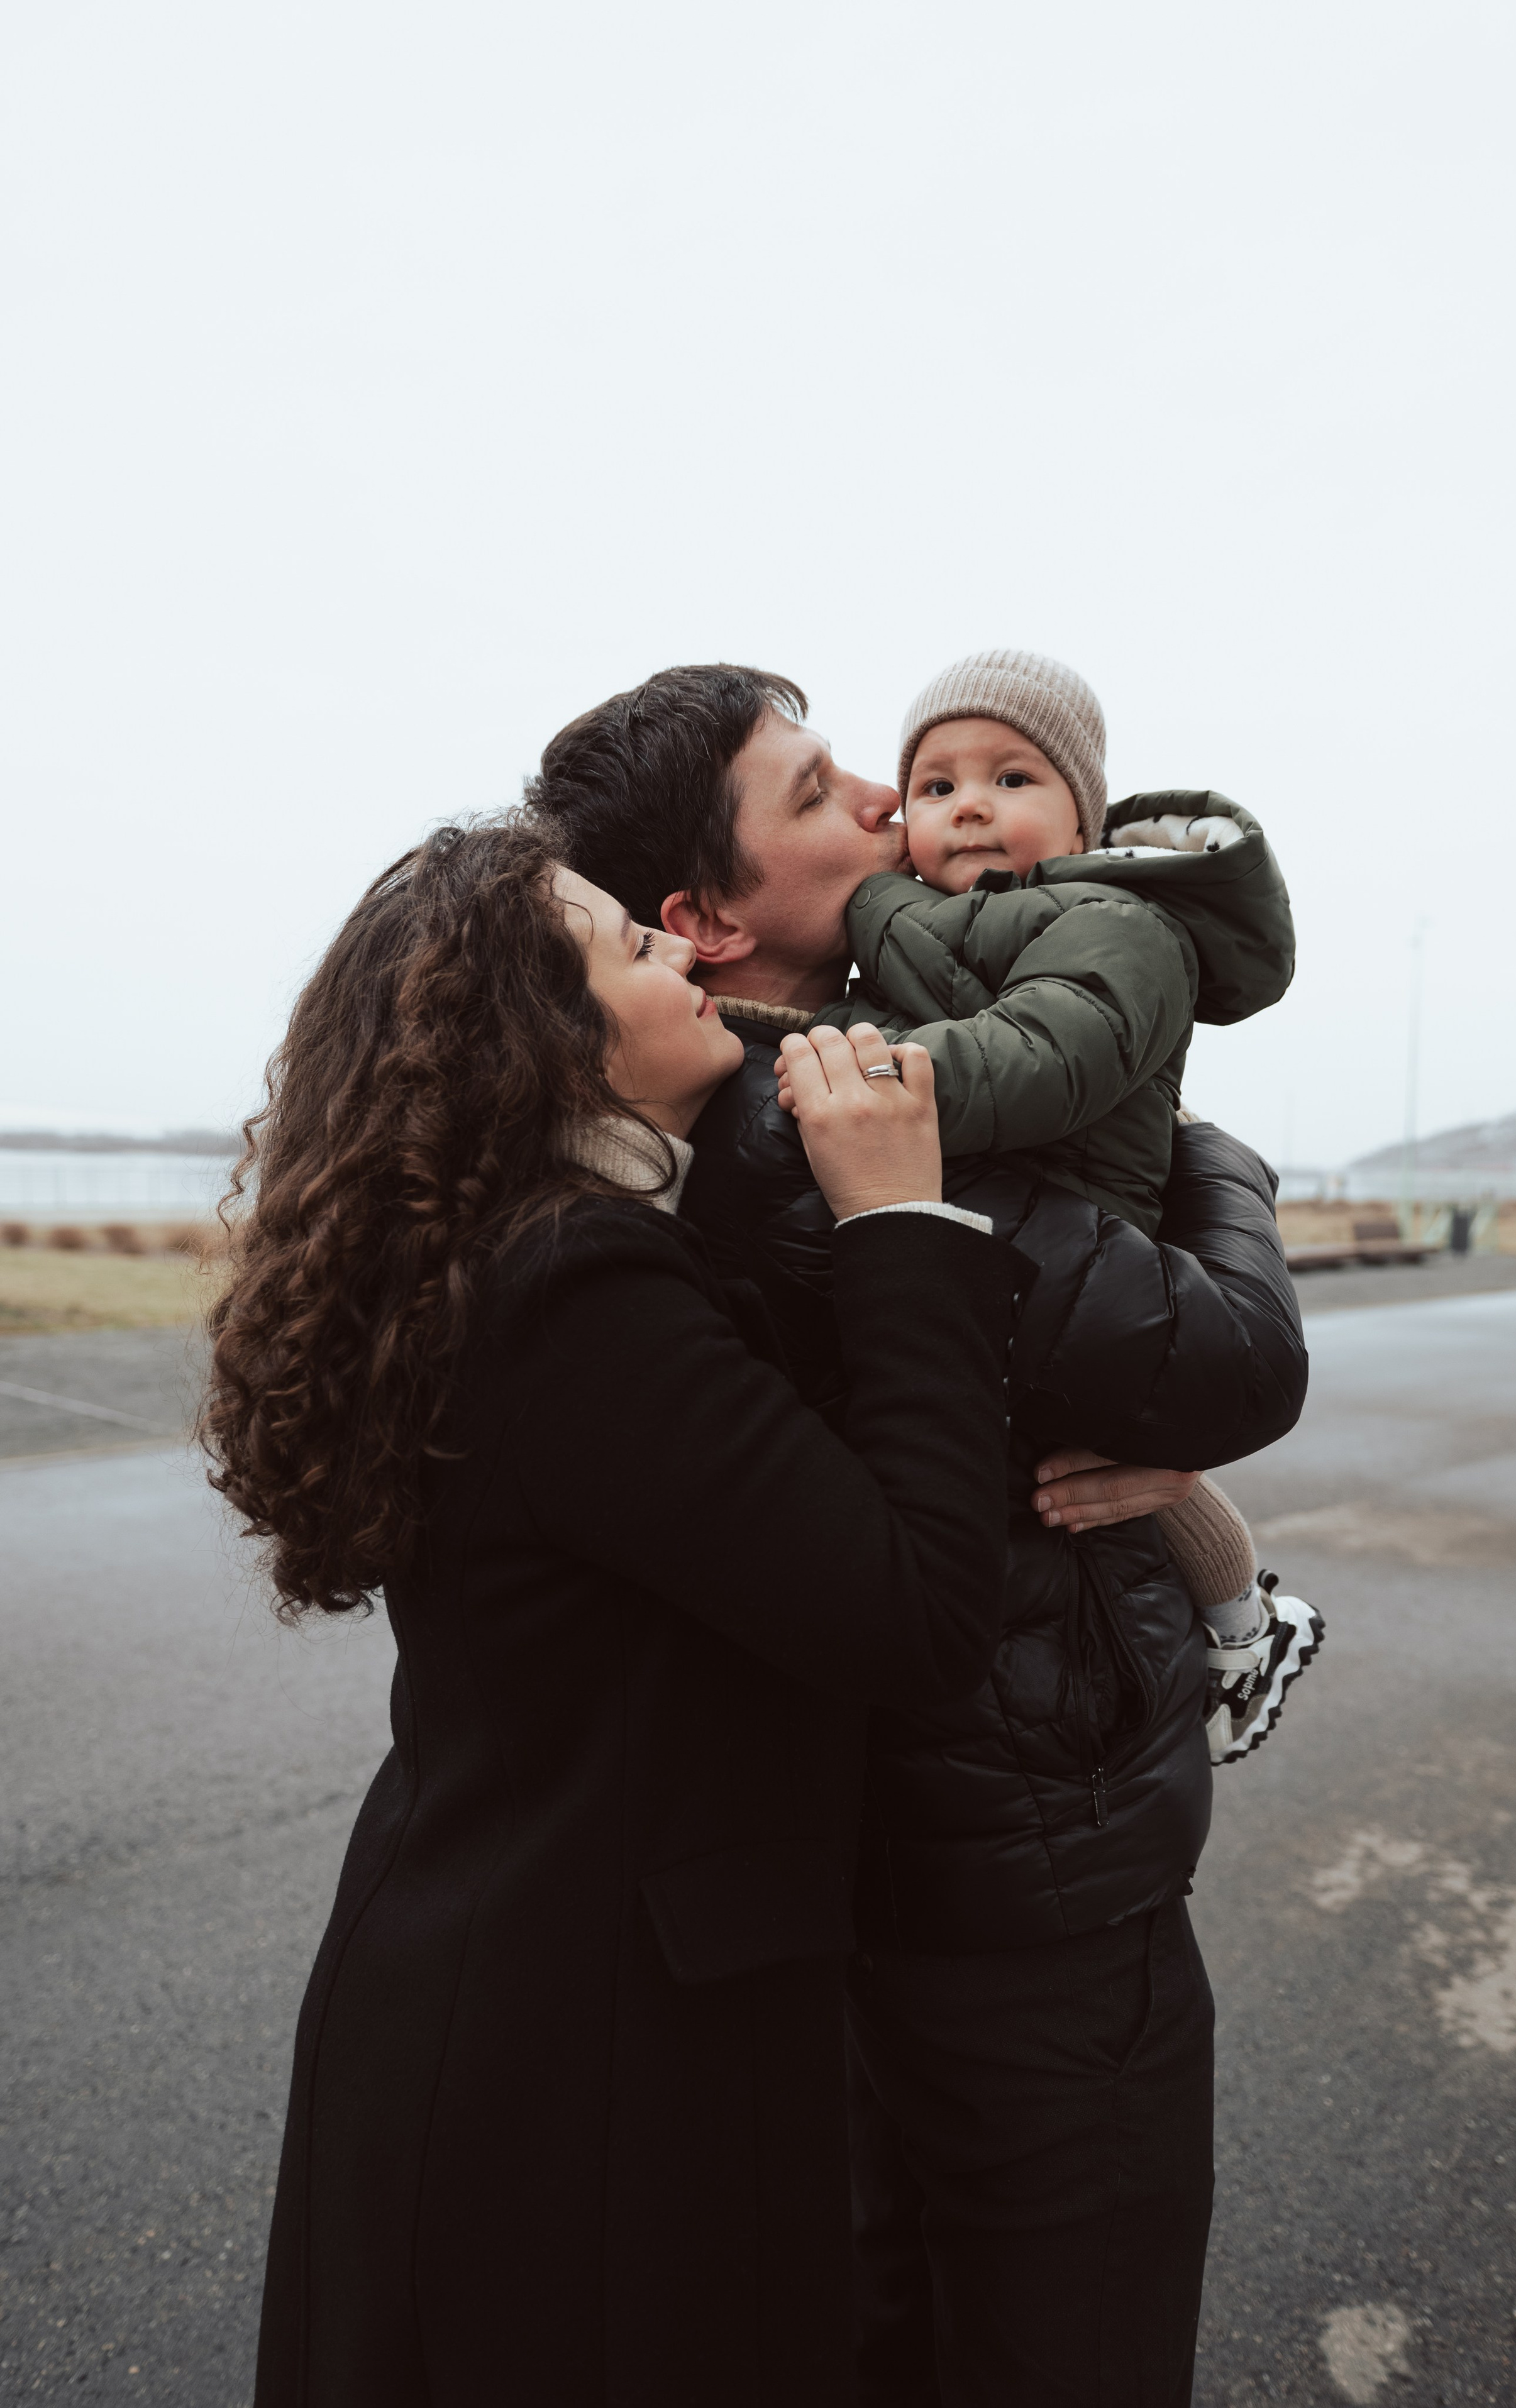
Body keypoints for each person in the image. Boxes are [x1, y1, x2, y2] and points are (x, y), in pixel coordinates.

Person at [528, 664, 1310, 2408]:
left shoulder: (760, 1097)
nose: (894, 804)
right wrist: (1215, 1155)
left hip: (861, 1852)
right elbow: (1236, 1358)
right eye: (823, 795)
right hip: (1025, 1864)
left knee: (885, 2313)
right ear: (702, 922)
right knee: (1065, 2330)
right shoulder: (837, 1122)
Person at [202, 813, 1029, 2407]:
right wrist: (896, 1218)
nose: (670, 940)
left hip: (505, 1982)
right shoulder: (576, 1289)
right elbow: (917, 1615)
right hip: (583, 2058)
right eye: (617, 938)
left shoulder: (516, 1258)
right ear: (541, 1037)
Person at [792, 644, 1325, 1765]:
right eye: (937, 784)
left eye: (1012, 777)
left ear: (1084, 815)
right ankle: (1241, 1624)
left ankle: (1248, 1620)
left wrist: (862, 1068)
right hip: (1007, 1259)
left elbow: (1040, 1058)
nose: (969, 804)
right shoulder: (904, 936)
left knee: (1107, 1460)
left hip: (1090, 1226)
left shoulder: (1121, 922)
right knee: (1069, 1476)